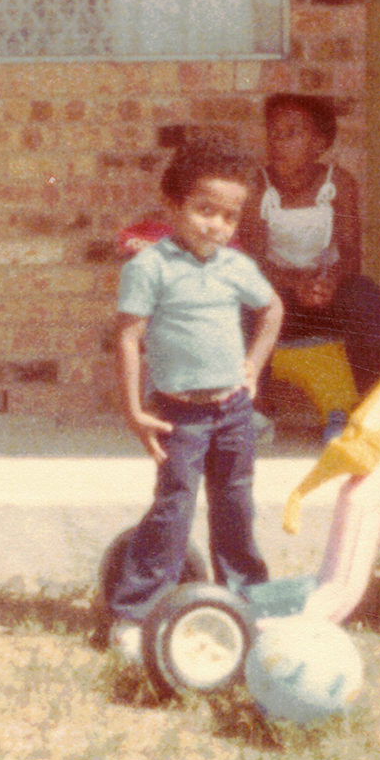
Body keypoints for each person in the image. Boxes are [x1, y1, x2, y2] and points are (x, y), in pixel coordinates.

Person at [108, 134, 285, 664]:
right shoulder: (150, 267)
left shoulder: (234, 266)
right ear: (174, 204)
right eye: (205, 210)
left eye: (229, 216)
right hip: (178, 414)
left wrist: (252, 364)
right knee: (174, 510)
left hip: (232, 410)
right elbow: (128, 337)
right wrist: (135, 410)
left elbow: (272, 309)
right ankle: (135, 613)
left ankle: (246, 600)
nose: (217, 225)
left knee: (235, 505)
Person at [240, 94, 380, 437]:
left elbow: (351, 252)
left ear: (318, 144)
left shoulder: (339, 183)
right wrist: (295, 285)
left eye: (291, 134)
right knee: (246, 299)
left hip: (327, 296)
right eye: (273, 133)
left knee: (365, 293)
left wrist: (330, 282)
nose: (278, 143)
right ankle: (256, 409)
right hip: (280, 301)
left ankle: (371, 409)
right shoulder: (257, 187)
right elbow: (254, 262)